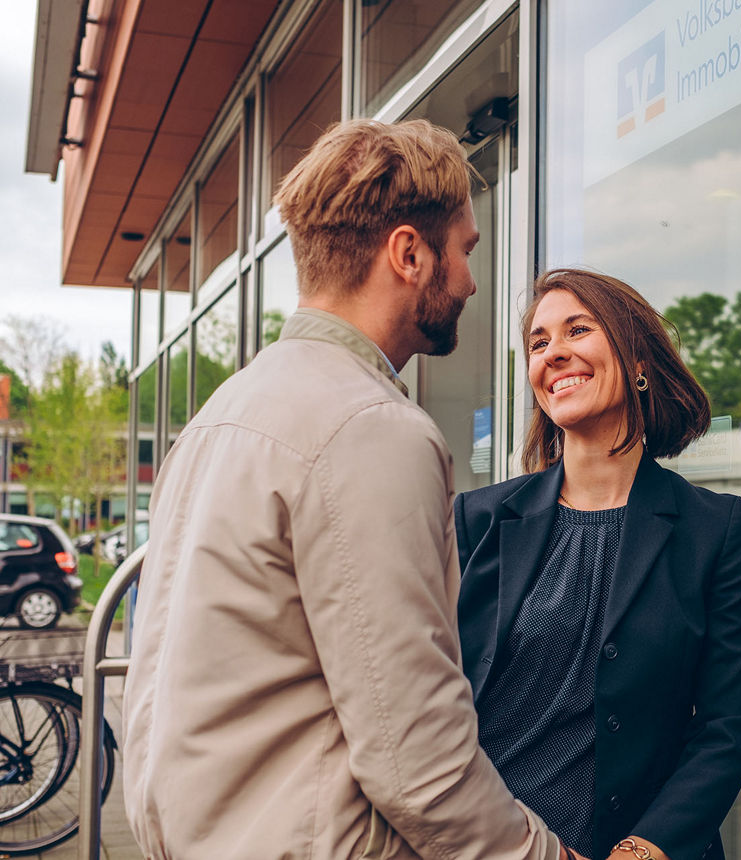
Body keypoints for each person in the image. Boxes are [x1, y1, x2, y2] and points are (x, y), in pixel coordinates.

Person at [123, 119, 579, 860]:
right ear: (408, 253)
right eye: (464, 250)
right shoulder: (371, 428)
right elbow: (416, 756)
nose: (469, 281)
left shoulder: (219, 416)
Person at [454, 268, 741, 860]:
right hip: (491, 844)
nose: (556, 353)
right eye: (539, 343)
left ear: (638, 360)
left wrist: (642, 850)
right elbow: (430, 704)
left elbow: (725, 727)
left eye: (578, 330)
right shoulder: (477, 520)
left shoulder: (713, 529)